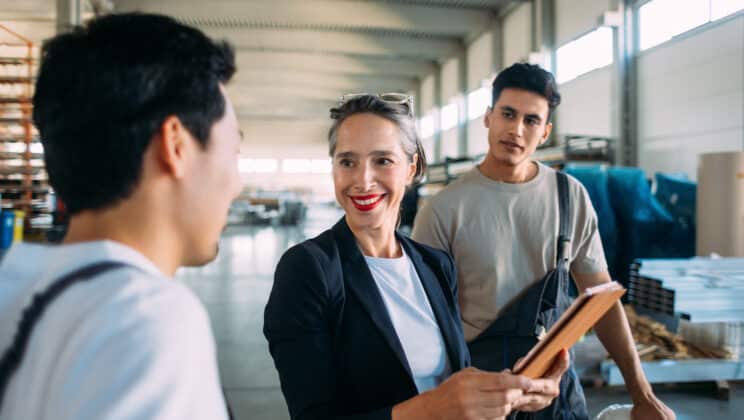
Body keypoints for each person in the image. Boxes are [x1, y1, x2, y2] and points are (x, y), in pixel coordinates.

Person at [263, 94, 570, 420]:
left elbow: (455, 383)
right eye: (347, 161)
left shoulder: (435, 265)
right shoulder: (309, 270)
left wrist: (513, 394)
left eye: (382, 160)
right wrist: (428, 410)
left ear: (412, 168)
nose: (363, 180)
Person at [0, 13, 241, 419]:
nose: (236, 183)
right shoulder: (147, 318)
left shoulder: (15, 288)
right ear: (176, 145)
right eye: (234, 152)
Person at [412, 63, 675, 420]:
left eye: (531, 120)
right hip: (479, 392)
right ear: (488, 118)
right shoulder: (443, 210)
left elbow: (602, 301)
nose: (516, 129)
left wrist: (642, 395)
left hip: (555, 390)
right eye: (507, 114)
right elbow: (422, 325)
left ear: (545, 131)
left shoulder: (570, 198)